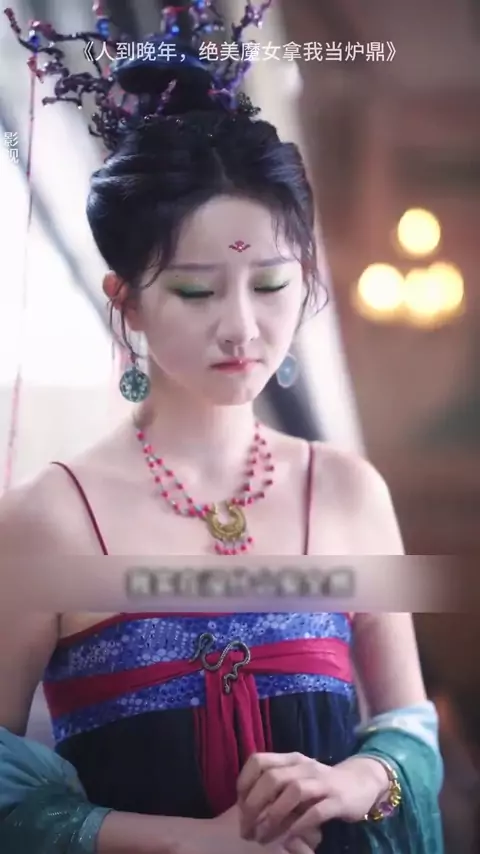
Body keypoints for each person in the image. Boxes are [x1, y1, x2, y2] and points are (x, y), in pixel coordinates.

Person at [0, 3, 443, 853]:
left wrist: (354, 779)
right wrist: (188, 841)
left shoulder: (347, 491)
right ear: (125, 301)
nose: (242, 328)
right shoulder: (45, 521)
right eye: (197, 291)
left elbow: (411, 733)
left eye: (271, 285)